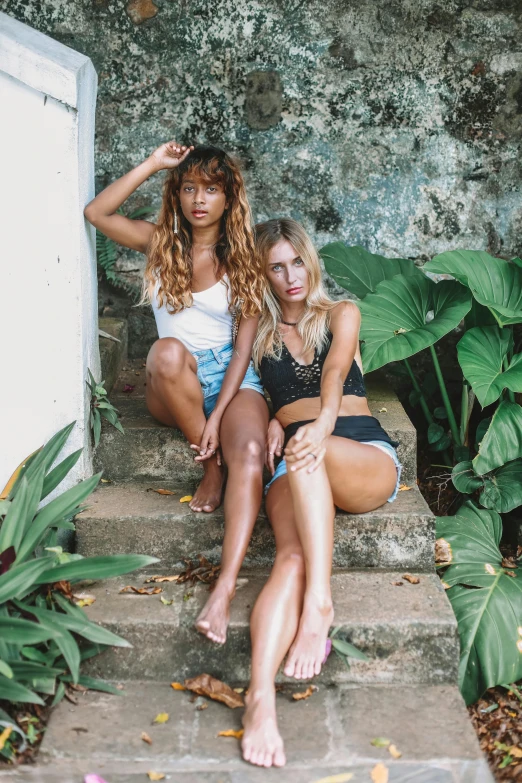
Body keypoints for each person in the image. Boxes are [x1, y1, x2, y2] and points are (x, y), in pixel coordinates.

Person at [84, 142, 269, 644]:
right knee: (165, 350)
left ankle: (225, 588)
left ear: (229, 197)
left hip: (230, 379)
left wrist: (219, 414)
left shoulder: (245, 258)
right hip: (174, 381)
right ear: (177, 194)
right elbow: (96, 212)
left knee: (250, 454)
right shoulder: (157, 242)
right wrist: (152, 163)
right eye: (188, 188)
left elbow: (242, 351)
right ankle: (210, 469)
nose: (198, 199)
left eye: (211, 188)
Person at [241, 218, 402, 768]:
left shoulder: (342, 314)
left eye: (297, 262)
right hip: (294, 462)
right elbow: (241, 384)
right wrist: (266, 415)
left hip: (357, 451)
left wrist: (319, 425)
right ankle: (259, 698)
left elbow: (334, 374)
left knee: (308, 449)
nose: (291, 277)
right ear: (263, 274)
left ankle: (320, 604)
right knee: (287, 557)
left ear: (310, 260)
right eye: (276, 267)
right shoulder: (256, 328)